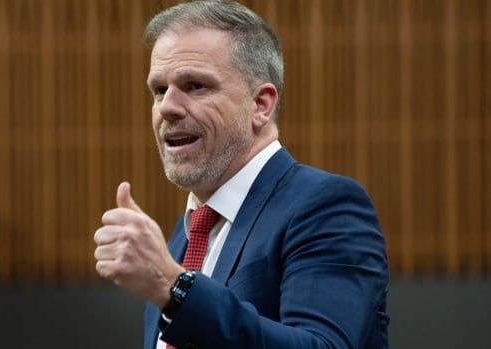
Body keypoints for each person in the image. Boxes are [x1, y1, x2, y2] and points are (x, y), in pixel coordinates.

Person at [93, 1, 389, 348]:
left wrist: (172, 286)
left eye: (195, 85)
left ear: (261, 105)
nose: (167, 107)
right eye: (159, 90)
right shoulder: (184, 235)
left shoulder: (325, 206)